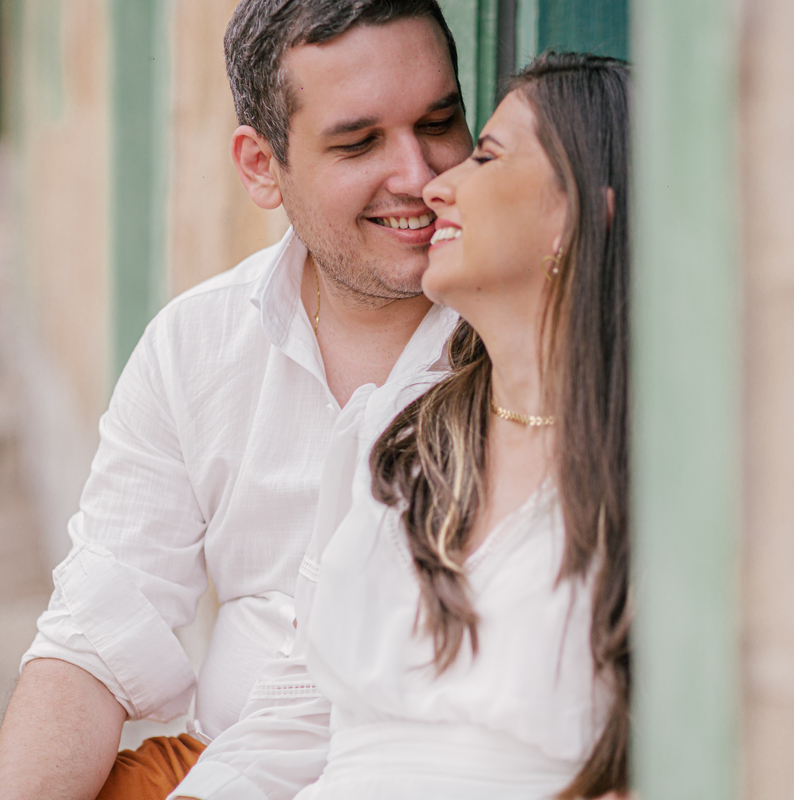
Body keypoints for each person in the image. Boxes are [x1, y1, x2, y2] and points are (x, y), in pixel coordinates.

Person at [0, 2, 473, 799]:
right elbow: (97, 626)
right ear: (261, 166)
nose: (419, 178)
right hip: (215, 764)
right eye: (359, 142)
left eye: (440, 122)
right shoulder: (196, 344)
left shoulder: (517, 340)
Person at [167, 52, 631, 800]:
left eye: (483, 153)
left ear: (574, 214)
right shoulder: (394, 443)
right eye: (359, 142)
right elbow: (296, 715)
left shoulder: (652, 483)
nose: (436, 185)